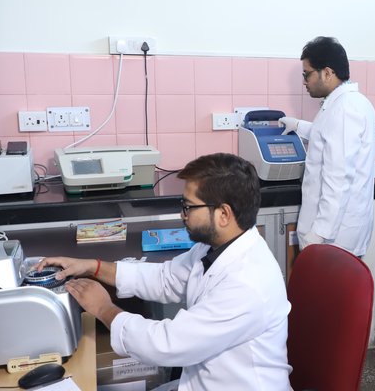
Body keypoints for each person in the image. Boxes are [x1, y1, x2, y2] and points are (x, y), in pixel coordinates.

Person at [35, 153, 292, 390]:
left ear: (223, 214)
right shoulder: (214, 247)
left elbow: (166, 345)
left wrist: (103, 309)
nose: (182, 215)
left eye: (189, 207)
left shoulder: (247, 283)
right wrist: (93, 266)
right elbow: (165, 279)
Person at [278, 36, 375, 257]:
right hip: (340, 233)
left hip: (333, 238)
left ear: (328, 73)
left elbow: (339, 177)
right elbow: (328, 137)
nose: (304, 81)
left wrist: (319, 234)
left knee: (329, 292)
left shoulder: (343, 109)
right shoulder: (349, 103)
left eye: (307, 74)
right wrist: (298, 125)